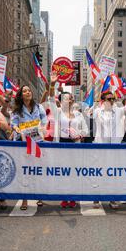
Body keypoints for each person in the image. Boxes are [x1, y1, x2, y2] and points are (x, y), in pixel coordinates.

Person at [92, 83, 126, 209]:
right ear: (103, 100)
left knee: (112, 174)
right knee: (99, 173)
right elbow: (88, 111)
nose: (112, 101)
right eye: (109, 99)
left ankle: (112, 198)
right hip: (100, 148)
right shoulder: (97, 111)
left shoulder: (118, 110)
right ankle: (96, 198)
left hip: (114, 148)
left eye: (113, 99)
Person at [47, 76, 88, 208]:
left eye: (69, 97)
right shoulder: (58, 112)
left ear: (72, 100)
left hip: (75, 146)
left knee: (74, 172)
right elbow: (50, 101)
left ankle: (73, 197)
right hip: (62, 145)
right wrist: (52, 84)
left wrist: (79, 135)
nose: (67, 99)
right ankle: (64, 197)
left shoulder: (79, 114)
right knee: (64, 172)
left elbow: (86, 130)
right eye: (64, 97)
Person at [11, 85, 47, 211]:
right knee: (24, 170)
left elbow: (44, 119)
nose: (28, 92)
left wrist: (43, 126)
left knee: (37, 169)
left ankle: (39, 195)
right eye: (24, 91)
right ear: (21, 95)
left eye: (29, 90)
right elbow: (13, 124)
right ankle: (24, 198)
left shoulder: (38, 106)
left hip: (38, 140)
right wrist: (18, 130)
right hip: (23, 142)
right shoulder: (17, 110)